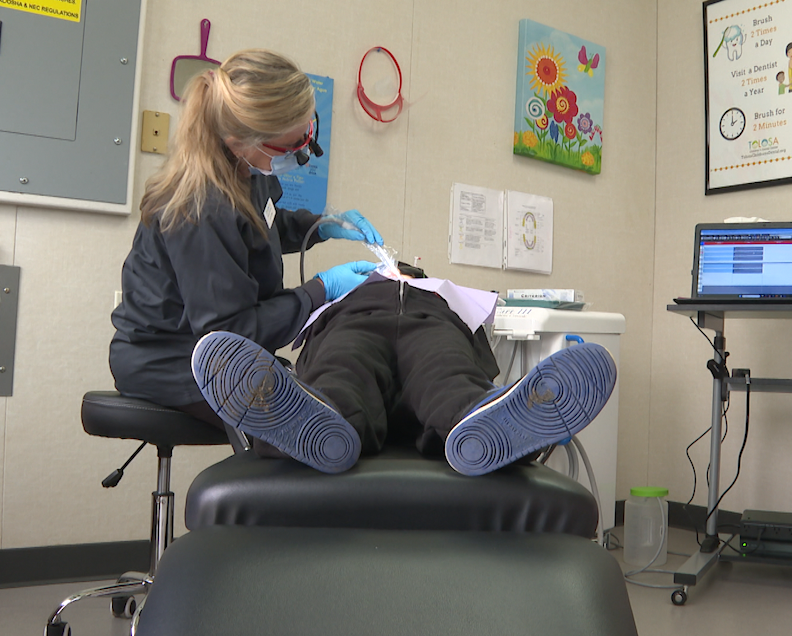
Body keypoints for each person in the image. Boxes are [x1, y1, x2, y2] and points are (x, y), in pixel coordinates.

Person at [109, 49, 384, 433]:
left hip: (227, 346)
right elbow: (229, 333)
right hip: (173, 361)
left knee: (353, 399)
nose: (303, 155)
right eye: (290, 146)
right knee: (326, 430)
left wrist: (321, 226)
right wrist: (321, 290)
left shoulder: (247, 170)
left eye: (307, 134)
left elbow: (261, 227)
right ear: (238, 141)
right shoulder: (200, 208)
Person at [191, 264, 618, 476]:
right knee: (341, 374)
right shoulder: (348, 293)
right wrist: (336, 292)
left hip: (431, 324)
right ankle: (313, 422)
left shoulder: (440, 294)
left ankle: (490, 422)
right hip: (353, 322)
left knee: (450, 380)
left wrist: (429, 290)